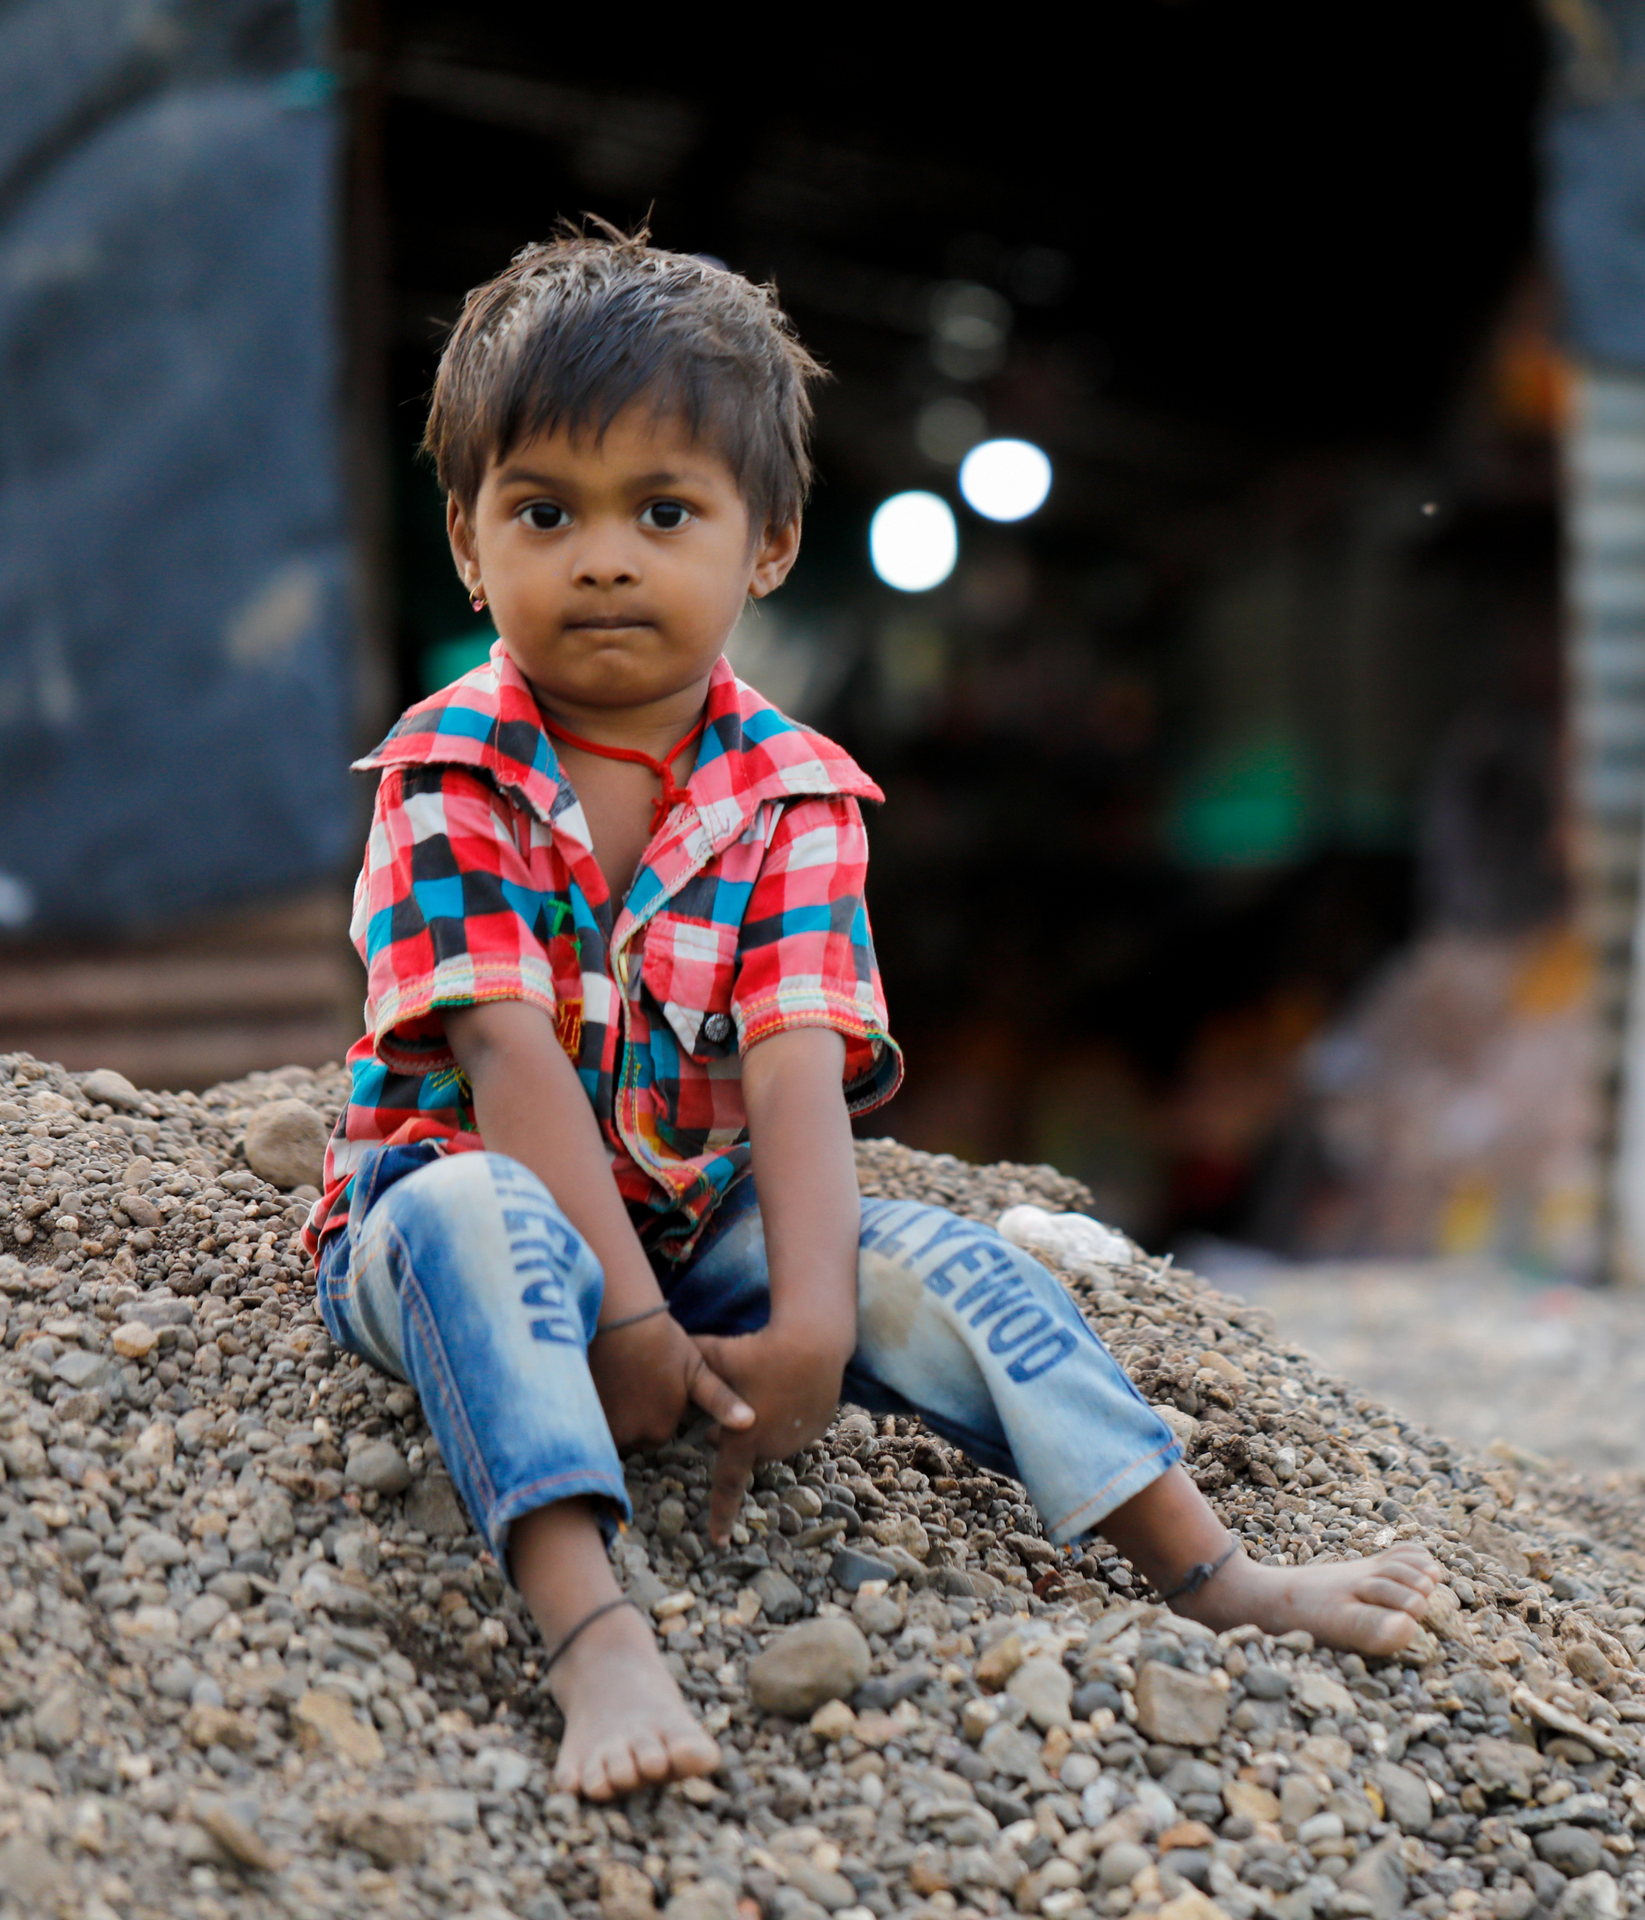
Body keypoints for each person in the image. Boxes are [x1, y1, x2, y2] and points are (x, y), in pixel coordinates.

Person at [305, 225, 1439, 1803]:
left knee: (951, 1267)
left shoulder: (797, 797)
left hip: (700, 1227)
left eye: (665, 510)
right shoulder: (446, 773)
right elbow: (503, 1059)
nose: (605, 556)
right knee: (473, 1215)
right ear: (467, 543)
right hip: (459, 1222)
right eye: (545, 511)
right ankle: (593, 1629)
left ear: (767, 544)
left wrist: (816, 1327)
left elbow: (794, 1081)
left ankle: (1206, 1565)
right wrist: (623, 1329)